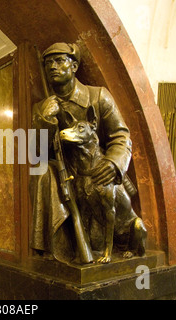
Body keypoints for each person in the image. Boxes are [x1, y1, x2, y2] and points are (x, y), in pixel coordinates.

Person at [29, 42, 133, 264]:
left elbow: (121, 135)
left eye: (59, 61)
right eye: (48, 63)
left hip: (97, 174)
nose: (52, 67)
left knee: (105, 230)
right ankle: (56, 248)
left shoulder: (97, 96)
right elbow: (36, 152)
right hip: (67, 177)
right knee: (43, 173)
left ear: (74, 66)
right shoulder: (40, 108)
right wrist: (46, 120)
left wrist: (114, 163)